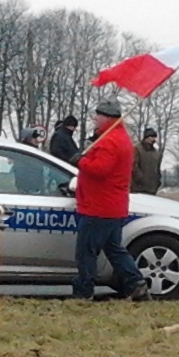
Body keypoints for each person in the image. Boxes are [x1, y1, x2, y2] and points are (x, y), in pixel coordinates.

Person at [72, 100, 147, 299]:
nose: (95, 118)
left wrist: (80, 161)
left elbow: (100, 169)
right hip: (114, 205)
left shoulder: (109, 141)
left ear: (107, 117)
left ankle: (84, 290)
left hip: (99, 206)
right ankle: (135, 283)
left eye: (98, 115)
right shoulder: (121, 138)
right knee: (114, 249)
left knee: (86, 251)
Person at [132, 126, 165, 195]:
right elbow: (134, 165)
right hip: (137, 188)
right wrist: (140, 178)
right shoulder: (137, 149)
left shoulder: (157, 153)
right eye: (151, 136)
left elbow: (157, 169)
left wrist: (157, 181)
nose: (153, 138)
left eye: (154, 137)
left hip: (152, 188)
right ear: (146, 137)